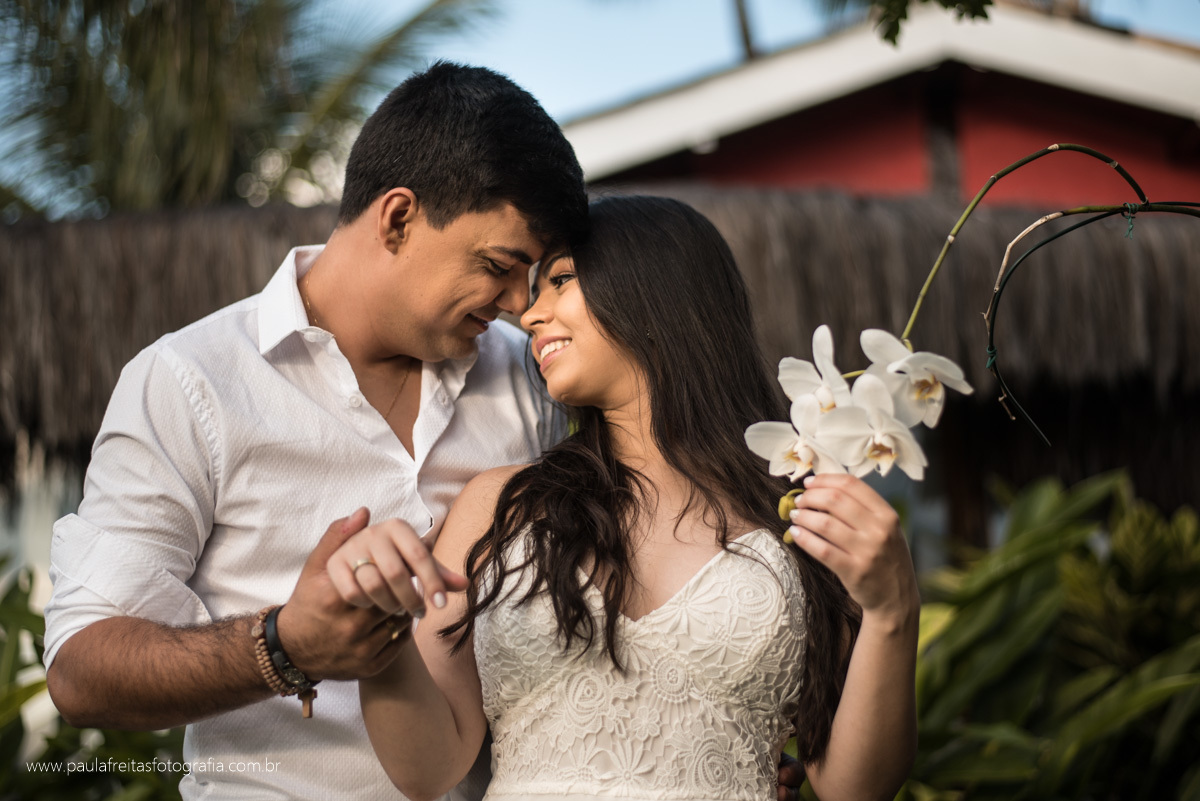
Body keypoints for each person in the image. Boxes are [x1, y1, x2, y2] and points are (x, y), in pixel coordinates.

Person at [42, 62, 588, 801]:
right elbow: (81, 666)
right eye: (499, 265)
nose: (523, 302)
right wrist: (283, 645)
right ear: (397, 218)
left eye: (537, 275)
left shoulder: (530, 379)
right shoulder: (189, 380)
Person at [327, 195, 921, 801]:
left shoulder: (797, 516)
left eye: (560, 281)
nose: (530, 315)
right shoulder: (500, 508)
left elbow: (855, 789)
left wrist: (893, 607)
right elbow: (427, 770)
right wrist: (383, 623)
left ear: (657, 287)